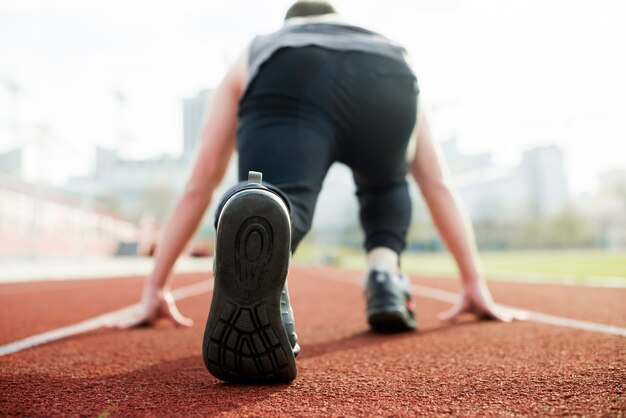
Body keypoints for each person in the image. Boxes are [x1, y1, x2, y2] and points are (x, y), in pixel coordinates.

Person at [115, 1, 523, 383]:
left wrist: (156, 287)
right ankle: (384, 275)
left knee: (277, 199)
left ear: (291, 21)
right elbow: (437, 183)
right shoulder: (388, 44)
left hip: (291, 71)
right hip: (388, 78)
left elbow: (202, 177)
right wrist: (473, 282)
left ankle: (268, 246)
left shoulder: (264, 44)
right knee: (387, 181)